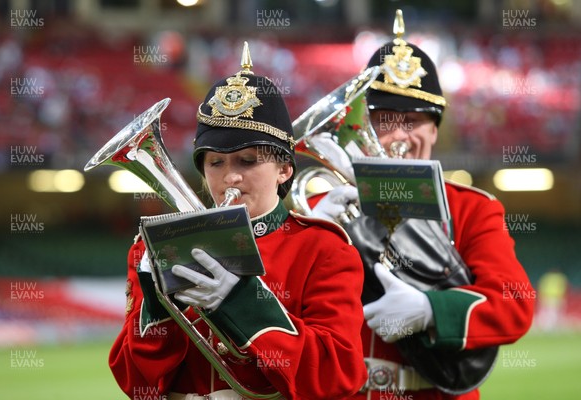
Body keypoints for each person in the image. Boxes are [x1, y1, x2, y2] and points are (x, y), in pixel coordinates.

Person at [109, 43, 368, 400]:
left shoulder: (323, 249)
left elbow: (337, 376)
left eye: (247, 161)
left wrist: (242, 301)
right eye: (216, 163)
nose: (230, 177)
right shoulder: (155, 248)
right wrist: (156, 308)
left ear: (284, 169)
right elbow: (136, 385)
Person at [310, 11, 535, 400]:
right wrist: (311, 239)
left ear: (435, 128)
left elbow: (514, 304)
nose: (399, 135)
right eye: (383, 120)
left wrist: (431, 310)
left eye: (413, 120)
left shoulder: (473, 210)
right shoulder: (319, 206)